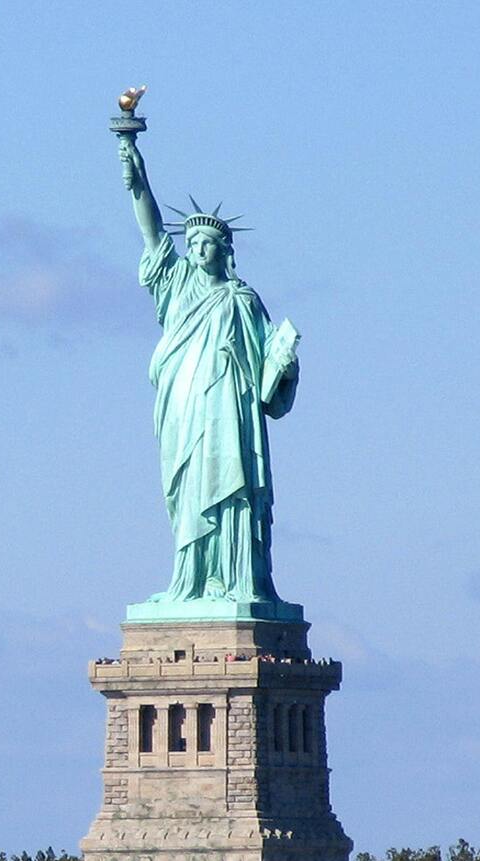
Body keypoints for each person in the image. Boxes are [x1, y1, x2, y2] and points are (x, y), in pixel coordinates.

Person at [119, 135, 301, 607]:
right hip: (184, 404)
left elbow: (268, 372)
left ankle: (236, 580)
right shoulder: (176, 283)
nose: (198, 249)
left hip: (229, 410)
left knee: (233, 488)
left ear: (225, 250)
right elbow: (151, 230)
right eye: (193, 242)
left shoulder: (243, 299)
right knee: (188, 490)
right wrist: (136, 172)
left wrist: (284, 363)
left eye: (207, 243)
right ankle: (192, 579)